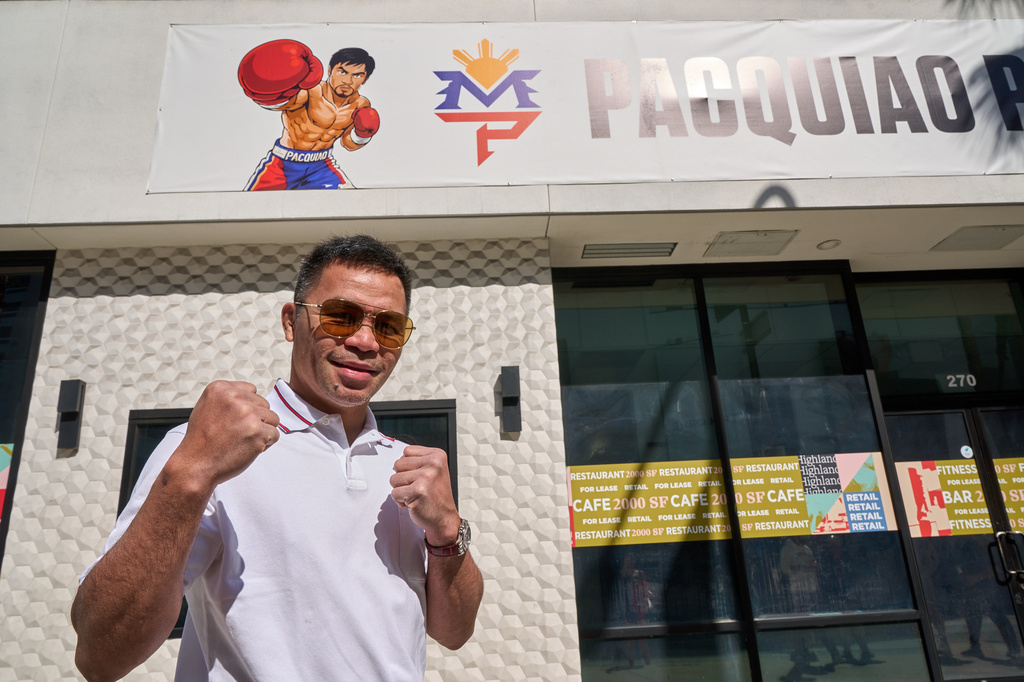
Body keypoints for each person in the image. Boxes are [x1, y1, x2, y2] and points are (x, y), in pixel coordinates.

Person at [71, 235, 483, 681]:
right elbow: (101, 655)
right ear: (291, 321)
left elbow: (454, 633)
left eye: (388, 326)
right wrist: (191, 474)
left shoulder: (406, 467)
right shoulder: (212, 447)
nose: (366, 341)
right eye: (340, 316)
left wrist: (447, 530)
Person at [238, 41, 381, 190]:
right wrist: (264, 83)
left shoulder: (361, 104)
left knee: (350, 200)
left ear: (365, 79)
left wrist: (363, 134)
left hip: (321, 167)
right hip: (283, 164)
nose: (347, 81)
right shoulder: (310, 92)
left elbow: (348, 144)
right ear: (330, 70)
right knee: (251, 203)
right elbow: (281, 103)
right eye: (342, 72)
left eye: (357, 75)